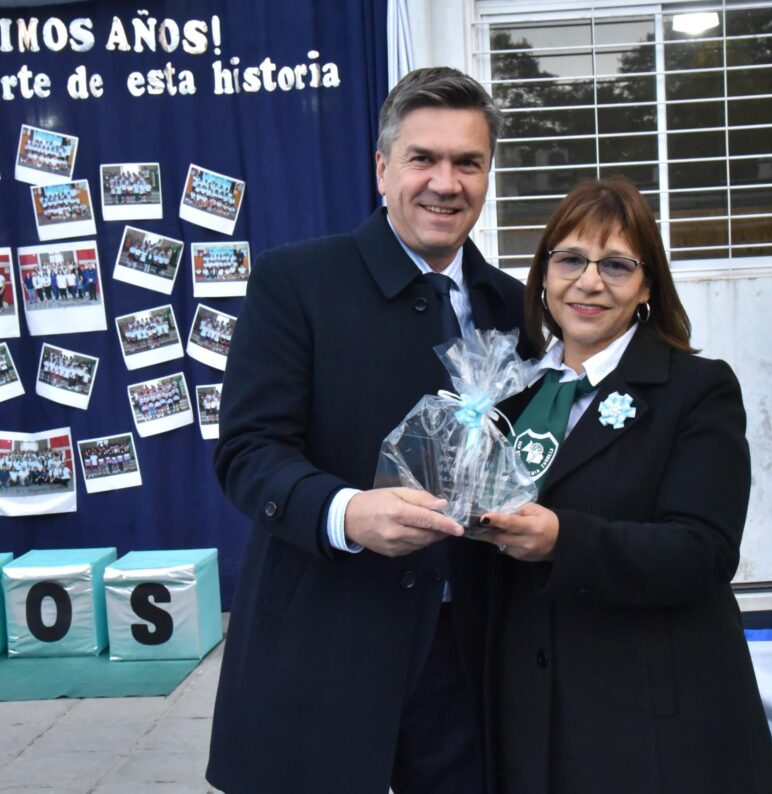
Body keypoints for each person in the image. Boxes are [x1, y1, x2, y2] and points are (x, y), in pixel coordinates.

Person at [207, 66, 525, 794]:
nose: (445, 183)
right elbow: (248, 453)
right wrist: (346, 512)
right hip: (325, 646)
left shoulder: (513, 307)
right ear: (382, 169)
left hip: (466, 661)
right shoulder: (298, 284)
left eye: (467, 162)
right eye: (423, 159)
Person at [479, 178, 772, 793]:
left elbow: (704, 551)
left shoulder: (696, 390)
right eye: (570, 259)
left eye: (616, 265)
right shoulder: (508, 395)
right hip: (531, 718)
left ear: (647, 285)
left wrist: (566, 541)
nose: (589, 282)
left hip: (650, 724)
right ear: (543, 274)